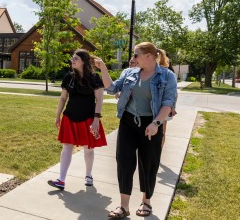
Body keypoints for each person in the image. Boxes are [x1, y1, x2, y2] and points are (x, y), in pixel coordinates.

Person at [93, 42, 177, 218]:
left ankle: (146, 202)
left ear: (148, 56)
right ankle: (124, 206)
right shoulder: (129, 73)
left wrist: (156, 123)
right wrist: (103, 68)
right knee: (124, 161)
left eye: (136, 55)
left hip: (151, 124)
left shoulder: (167, 76)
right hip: (128, 122)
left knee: (148, 163)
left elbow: (168, 103)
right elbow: (111, 88)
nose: (133, 59)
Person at [47, 49, 107, 190]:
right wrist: (58, 115)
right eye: (72, 58)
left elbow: (99, 100)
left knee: (88, 149)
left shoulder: (94, 78)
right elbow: (63, 98)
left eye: (76, 59)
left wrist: (96, 120)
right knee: (67, 146)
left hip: (88, 119)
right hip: (70, 116)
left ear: (84, 62)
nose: (72, 60)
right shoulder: (69, 77)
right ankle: (61, 180)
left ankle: (88, 175)